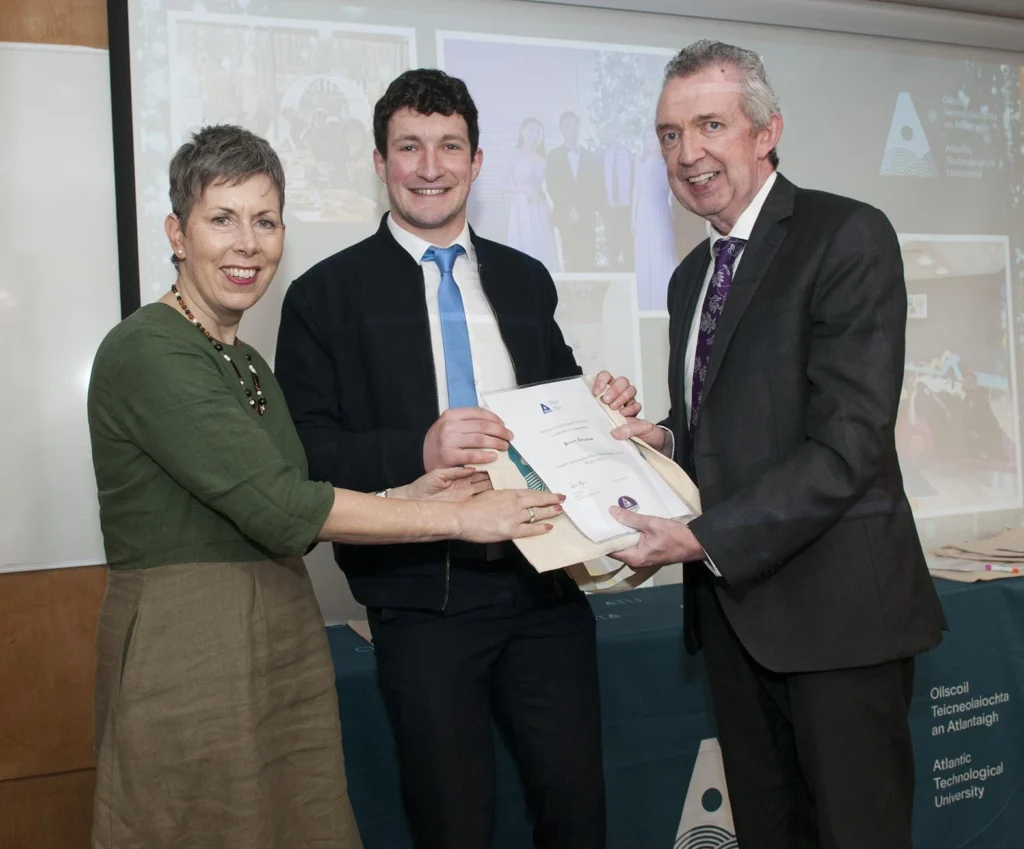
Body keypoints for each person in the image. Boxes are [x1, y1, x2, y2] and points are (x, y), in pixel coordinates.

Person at [87, 124, 562, 849]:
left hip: (279, 632)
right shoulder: (149, 347)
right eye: (222, 218)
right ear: (176, 234)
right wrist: (458, 521)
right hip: (190, 649)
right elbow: (282, 509)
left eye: (266, 220)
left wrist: (418, 492)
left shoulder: (244, 362)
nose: (248, 243)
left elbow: (291, 487)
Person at [275, 69, 639, 849]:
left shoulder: (523, 276)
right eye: (409, 146)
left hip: (544, 581)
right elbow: (305, 452)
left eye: (449, 146)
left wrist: (600, 406)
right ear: (379, 161)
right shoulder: (322, 296)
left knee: (577, 813)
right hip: (419, 599)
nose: (430, 166)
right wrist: (420, 445)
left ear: (478, 161)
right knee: (453, 824)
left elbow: (555, 404)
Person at [607, 41, 947, 849]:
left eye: (710, 125)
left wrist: (697, 536)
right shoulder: (692, 276)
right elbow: (729, 427)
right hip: (734, 622)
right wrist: (660, 437)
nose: (686, 153)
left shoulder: (847, 236)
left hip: (838, 624)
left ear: (767, 131)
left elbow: (847, 445)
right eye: (667, 134)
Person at [547, 110, 601, 271]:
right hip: (565, 216)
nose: (572, 130)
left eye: (575, 126)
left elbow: (595, 188)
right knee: (570, 259)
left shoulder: (590, 156)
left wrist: (581, 211)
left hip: (586, 216)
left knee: (588, 258)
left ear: (579, 128)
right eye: (567, 126)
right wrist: (569, 209)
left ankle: (590, 296)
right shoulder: (554, 155)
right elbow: (552, 186)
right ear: (562, 130)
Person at [632, 128, 678, 310]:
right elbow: (636, 190)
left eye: (653, 138)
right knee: (645, 250)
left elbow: (672, 192)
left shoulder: (667, 162)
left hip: (660, 209)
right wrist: (633, 219)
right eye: (647, 139)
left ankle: (663, 300)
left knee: (662, 248)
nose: (650, 142)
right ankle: (646, 301)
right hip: (644, 211)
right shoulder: (639, 162)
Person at [504, 116, 559, 269]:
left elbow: (552, 183)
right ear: (522, 132)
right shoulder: (514, 154)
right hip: (522, 207)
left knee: (544, 243)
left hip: (541, 206)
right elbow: (500, 184)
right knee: (526, 242)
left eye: (538, 132)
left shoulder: (544, 158)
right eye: (531, 131)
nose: (535, 135)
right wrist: (523, 190)